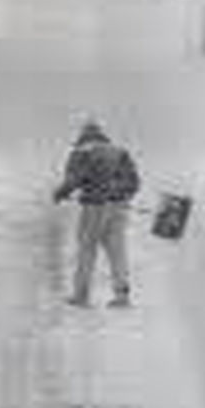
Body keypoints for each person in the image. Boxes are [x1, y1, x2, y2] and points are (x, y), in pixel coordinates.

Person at [53, 121, 141, 308]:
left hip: (94, 207)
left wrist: (60, 193)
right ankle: (122, 295)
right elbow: (134, 182)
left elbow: (74, 179)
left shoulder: (81, 152)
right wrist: (118, 195)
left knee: (87, 250)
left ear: (83, 136)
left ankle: (81, 295)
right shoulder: (120, 152)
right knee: (117, 252)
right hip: (119, 207)